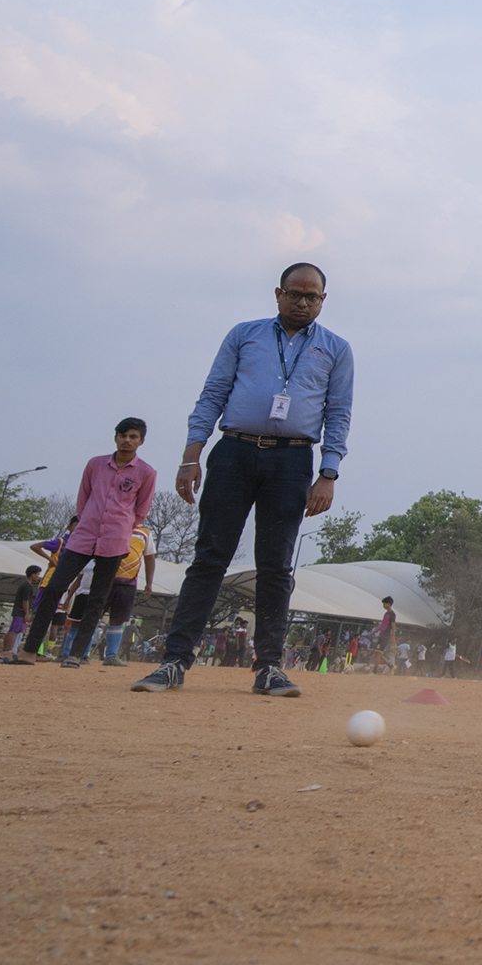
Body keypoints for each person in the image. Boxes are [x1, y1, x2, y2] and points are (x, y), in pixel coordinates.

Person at [134, 263, 354, 699]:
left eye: (312, 296)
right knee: (209, 557)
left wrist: (328, 473)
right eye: (294, 294)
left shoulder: (336, 349)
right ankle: (175, 661)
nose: (302, 302)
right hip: (234, 452)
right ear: (278, 294)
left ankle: (269, 667)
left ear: (323, 300)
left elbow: (338, 413)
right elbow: (213, 394)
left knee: (276, 566)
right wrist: (191, 456)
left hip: (292, 461)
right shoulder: (244, 335)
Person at [0, 419, 156, 668]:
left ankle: (75, 656)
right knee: (54, 587)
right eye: (123, 435)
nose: (127, 440)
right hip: (84, 536)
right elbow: (83, 498)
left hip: (115, 540)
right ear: (115, 437)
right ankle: (29, 651)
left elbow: (141, 511)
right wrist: (88, 522)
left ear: (141, 441)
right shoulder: (95, 464)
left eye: (133, 436)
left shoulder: (146, 472)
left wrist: (121, 527)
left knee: (97, 599)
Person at [98, 519, 157, 666]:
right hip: (105, 580)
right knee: (94, 614)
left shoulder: (144, 533)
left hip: (128, 583)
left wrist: (149, 583)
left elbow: (149, 558)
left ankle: (111, 655)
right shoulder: (111, 524)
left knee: (118, 619)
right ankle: (81, 653)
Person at [4, 565, 43, 655]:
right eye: (37, 574)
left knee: (12, 630)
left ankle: (5, 650)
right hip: (21, 612)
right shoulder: (27, 586)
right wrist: (27, 613)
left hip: (18, 611)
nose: (38, 576)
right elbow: (25, 600)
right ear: (32, 575)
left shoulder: (24, 585)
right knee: (15, 631)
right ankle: (9, 652)